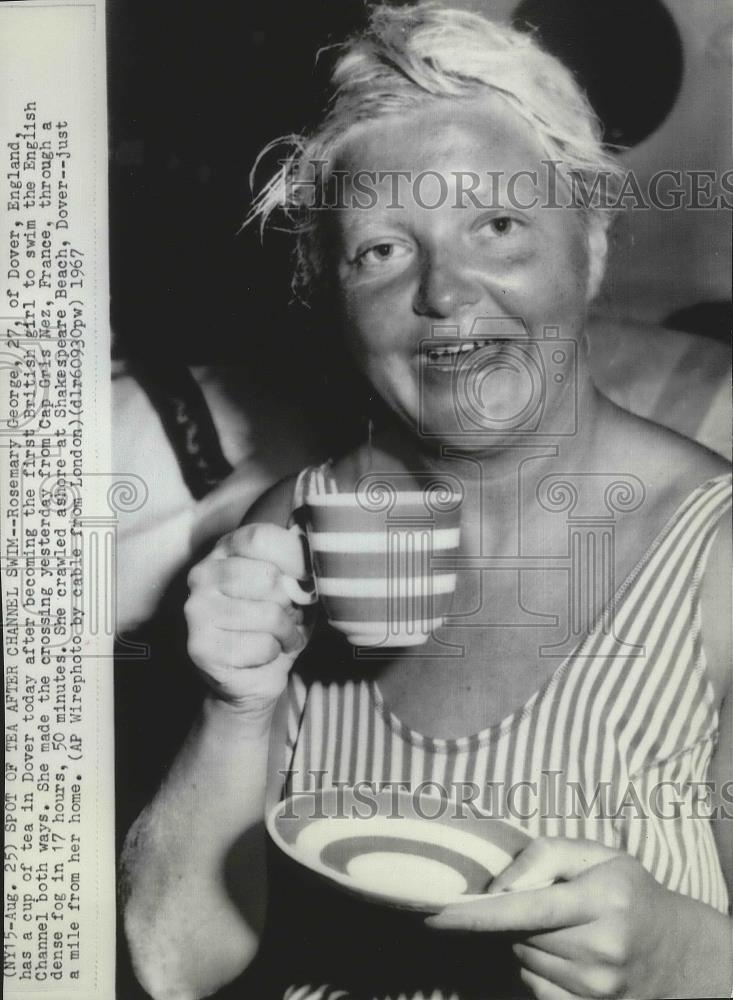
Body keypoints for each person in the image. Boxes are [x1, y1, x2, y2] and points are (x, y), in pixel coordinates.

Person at [120, 5, 732, 999]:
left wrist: (678, 956)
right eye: (380, 251)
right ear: (328, 290)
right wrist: (238, 710)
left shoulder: (717, 559)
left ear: (591, 244)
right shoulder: (292, 529)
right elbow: (173, 965)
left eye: (496, 225)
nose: (445, 293)